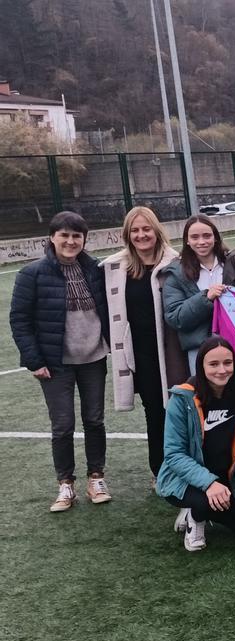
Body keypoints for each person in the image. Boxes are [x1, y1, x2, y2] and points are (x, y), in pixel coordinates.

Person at [10, 211, 111, 512]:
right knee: (62, 425)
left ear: (84, 239)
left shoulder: (96, 269)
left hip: (93, 357)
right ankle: (66, 484)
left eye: (76, 236)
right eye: (64, 235)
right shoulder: (33, 274)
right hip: (56, 363)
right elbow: (20, 319)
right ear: (52, 237)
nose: (70, 241)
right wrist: (34, 360)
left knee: (94, 420)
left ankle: (97, 477)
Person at [157, 337, 235, 551]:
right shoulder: (182, 400)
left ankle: (206, 505)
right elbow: (174, 455)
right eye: (213, 364)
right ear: (200, 366)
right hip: (186, 482)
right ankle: (194, 513)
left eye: (227, 363)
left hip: (224, 483)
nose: (222, 370)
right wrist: (209, 483)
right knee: (202, 501)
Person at [103, 206, 188, 484]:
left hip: (174, 350)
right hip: (141, 352)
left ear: (156, 230)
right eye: (135, 230)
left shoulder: (176, 262)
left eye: (146, 229)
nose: (141, 235)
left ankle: (188, 465)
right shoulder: (116, 268)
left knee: (181, 409)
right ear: (127, 235)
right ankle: (160, 470)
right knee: (155, 412)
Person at [162, 215, 228, 372]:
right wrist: (206, 297)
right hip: (199, 348)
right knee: (204, 394)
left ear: (216, 237)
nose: (202, 242)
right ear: (187, 240)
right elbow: (175, 317)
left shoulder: (233, 262)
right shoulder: (176, 273)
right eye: (195, 237)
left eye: (207, 235)